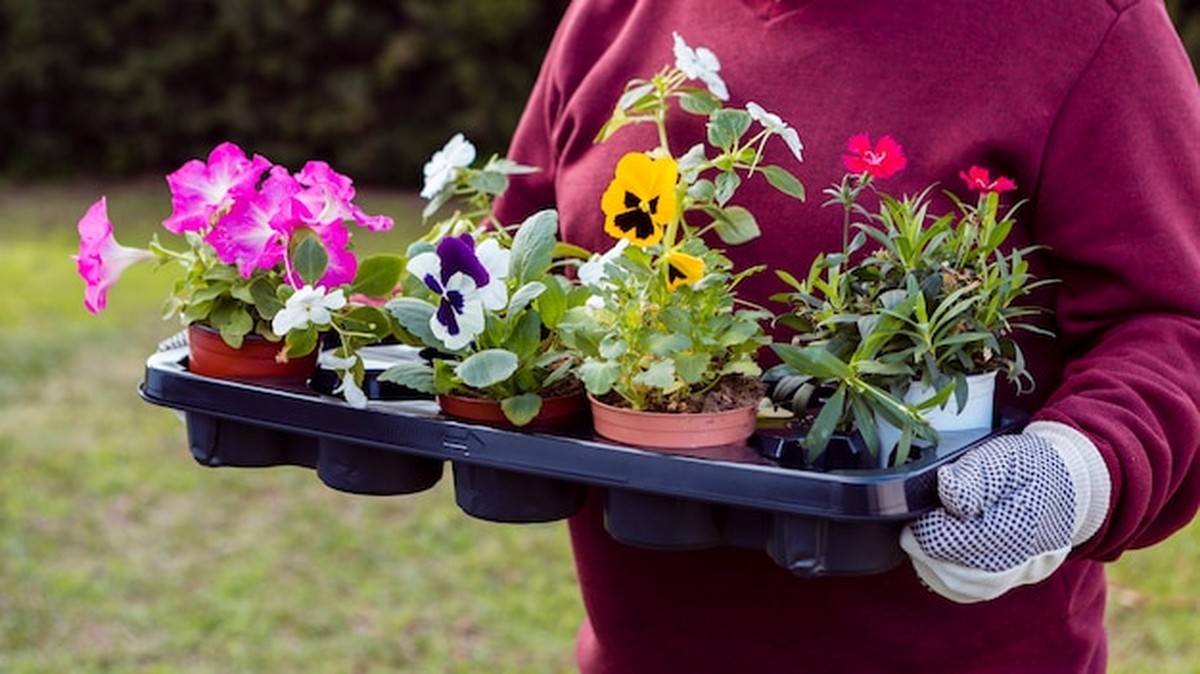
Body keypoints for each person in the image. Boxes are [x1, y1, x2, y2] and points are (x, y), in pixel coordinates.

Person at [491, 1, 1200, 671]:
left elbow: (1174, 317)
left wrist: (1076, 471)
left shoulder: (1083, 25)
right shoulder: (615, 14)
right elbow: (519, 249)